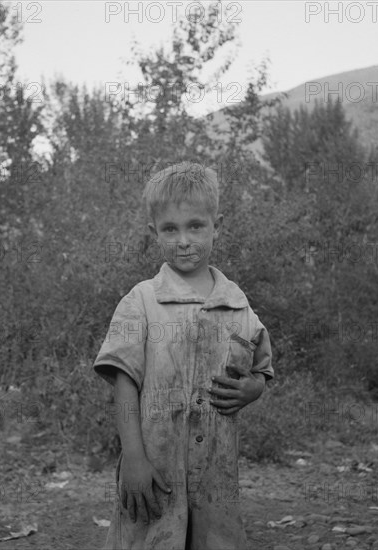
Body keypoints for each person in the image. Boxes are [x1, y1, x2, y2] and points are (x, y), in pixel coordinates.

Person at [94, 162, 273, 550]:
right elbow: (125, 384)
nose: (184, 240)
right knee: (149, 538)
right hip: (155, 465)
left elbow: (260, 371)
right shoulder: (140, 301)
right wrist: (134, 459)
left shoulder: (238, 307)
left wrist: (252, 391)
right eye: (170, 229)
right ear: (153, 233)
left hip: (215, 471)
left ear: (217, 225)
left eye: (196, 225)